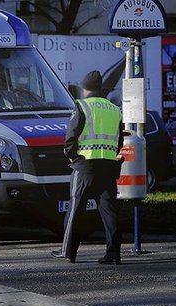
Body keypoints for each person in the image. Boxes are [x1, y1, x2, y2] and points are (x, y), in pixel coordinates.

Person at [52, 70, 125, 265]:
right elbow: (119, 141)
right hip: (108, 165)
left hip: (85, 164)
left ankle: (68, 251)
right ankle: (113, 253)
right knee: (109, 211)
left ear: (85, 89)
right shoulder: (113, 108)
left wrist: (72, 157)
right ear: (100, 88)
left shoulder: (81, 106)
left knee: (75, 208)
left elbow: (71, 136)